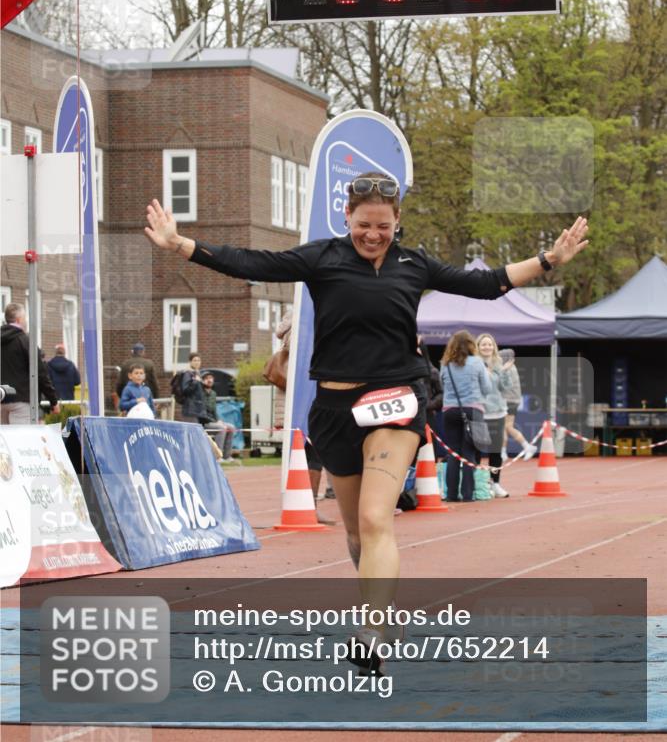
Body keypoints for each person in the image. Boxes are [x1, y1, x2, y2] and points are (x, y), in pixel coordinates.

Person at [145, 179, 588, 670]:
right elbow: (251, 262)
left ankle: (372, 629)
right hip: (335, 409)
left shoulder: (414, 264)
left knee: (378, 519)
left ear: (397, 221)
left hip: (397, 401)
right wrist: (179, 244)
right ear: (346, 217)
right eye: (363, 226)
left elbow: (484, 285)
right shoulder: (322, 258)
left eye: (382, 226)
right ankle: (383, 609)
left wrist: (548, 260)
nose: (373, 235)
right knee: (357, 533)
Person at [440, 331, 492, 502]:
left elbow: (443, 385)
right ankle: (468, 494)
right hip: (473, 409)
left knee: (453, 453)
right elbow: (487, 389)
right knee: (469, 452)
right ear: (471, 345)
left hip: (450, 410)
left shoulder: (445, 364)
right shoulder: (477, 363)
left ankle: (452, 494)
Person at [0, 303, 59, 424]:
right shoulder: (26, 341)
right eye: (25, 318)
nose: (26, 321)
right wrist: (53, 400)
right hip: (22, 401)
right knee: (22, 441)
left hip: (1, 399)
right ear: (19, 319)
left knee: (3, 442)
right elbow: (41, 373)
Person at [477, 333, 515, 497]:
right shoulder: (474, 364)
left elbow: (507, 387)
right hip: (480, 411)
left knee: (495, 451)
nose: (487, 347)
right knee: (476, 450)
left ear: (494, 347)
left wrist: (505, 372)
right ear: (478, 347)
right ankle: (477, 483)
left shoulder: (500, 364)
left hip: (498, 412)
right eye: (483, 344)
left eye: (489, 344)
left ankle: (495, 483)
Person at [499, 347, 537, 460]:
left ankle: (526, 446)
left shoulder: (507, 369)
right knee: (505, 427)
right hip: (512, 400)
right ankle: (503, 452)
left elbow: (502, 385)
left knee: (507, 426)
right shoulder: (510, 367)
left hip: (509, 400)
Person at [202, 370, 235, 461]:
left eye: (211, 378)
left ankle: (227, 456)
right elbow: (202, 412)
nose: (209, 380)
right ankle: (218, 456)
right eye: (207, 378)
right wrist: (214, 421)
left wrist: (218, 420)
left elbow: (214, 410)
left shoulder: (213, 393)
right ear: (203, 380)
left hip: (213, 421)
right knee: (221, 428)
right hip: (204, 422)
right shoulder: (200, 393)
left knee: (231, 427)